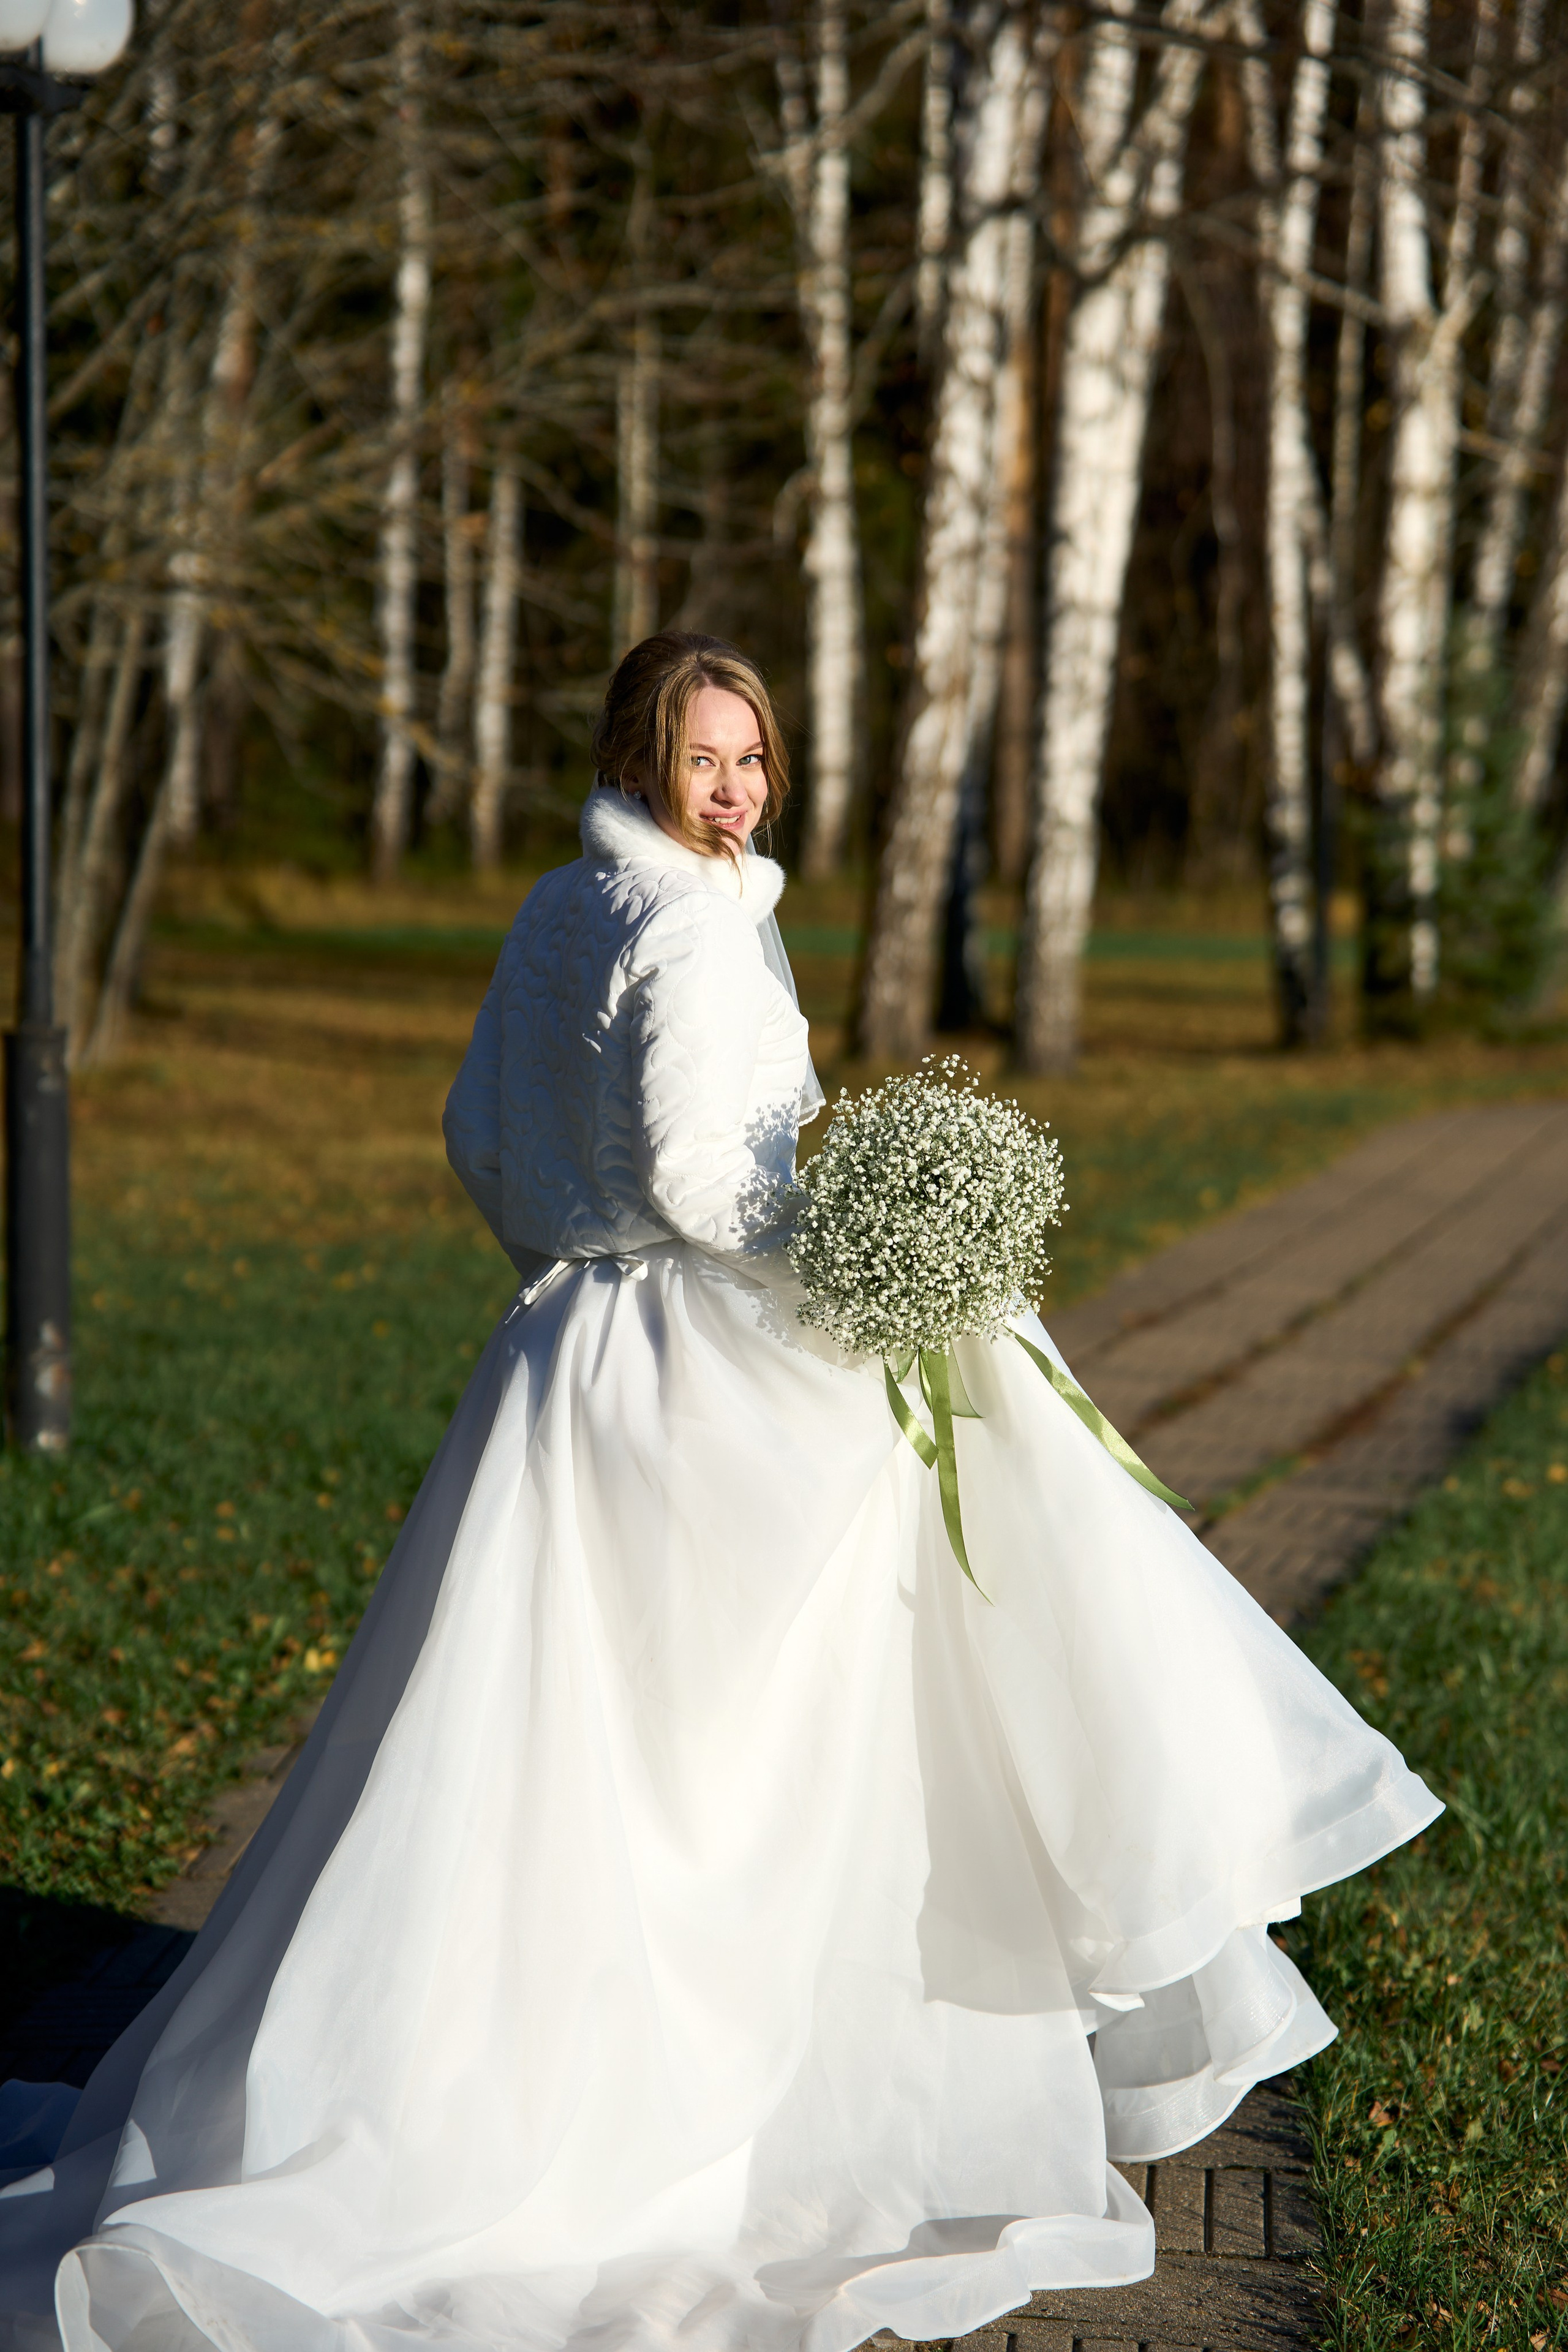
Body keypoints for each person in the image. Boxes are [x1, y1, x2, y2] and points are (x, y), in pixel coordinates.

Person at [0, 632, 1439, 2352]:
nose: (737, 787)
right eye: (706, 758)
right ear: (645, 755)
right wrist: (864, 1262)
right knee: (753, 1754)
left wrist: (566, 1261)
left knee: (558, 1763)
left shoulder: (562, 907)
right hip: (706, 1380)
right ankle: (733, 2113)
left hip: (566, 1367)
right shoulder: (684, 920)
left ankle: (500, 2077)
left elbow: (479, 1131)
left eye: (754, 756)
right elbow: (695, 1170)